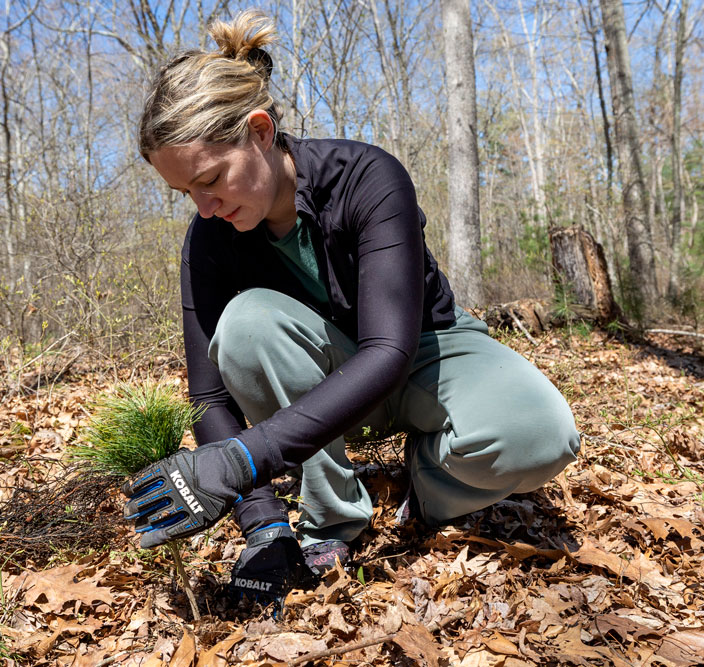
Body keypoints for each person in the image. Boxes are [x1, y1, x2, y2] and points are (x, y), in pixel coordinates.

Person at [122, 10, 580, 605]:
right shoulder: (209, 239)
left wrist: (242, 460)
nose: (204, 206)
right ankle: (330, 520)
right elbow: (209, 397)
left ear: (260, 131)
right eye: (186, 193)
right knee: (246, 325)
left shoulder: (368, 177)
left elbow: (388, 351)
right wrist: (261, 519)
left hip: (423, 348)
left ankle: (420, 482)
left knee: (541, 435)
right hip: (322, 379)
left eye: (211, 178)